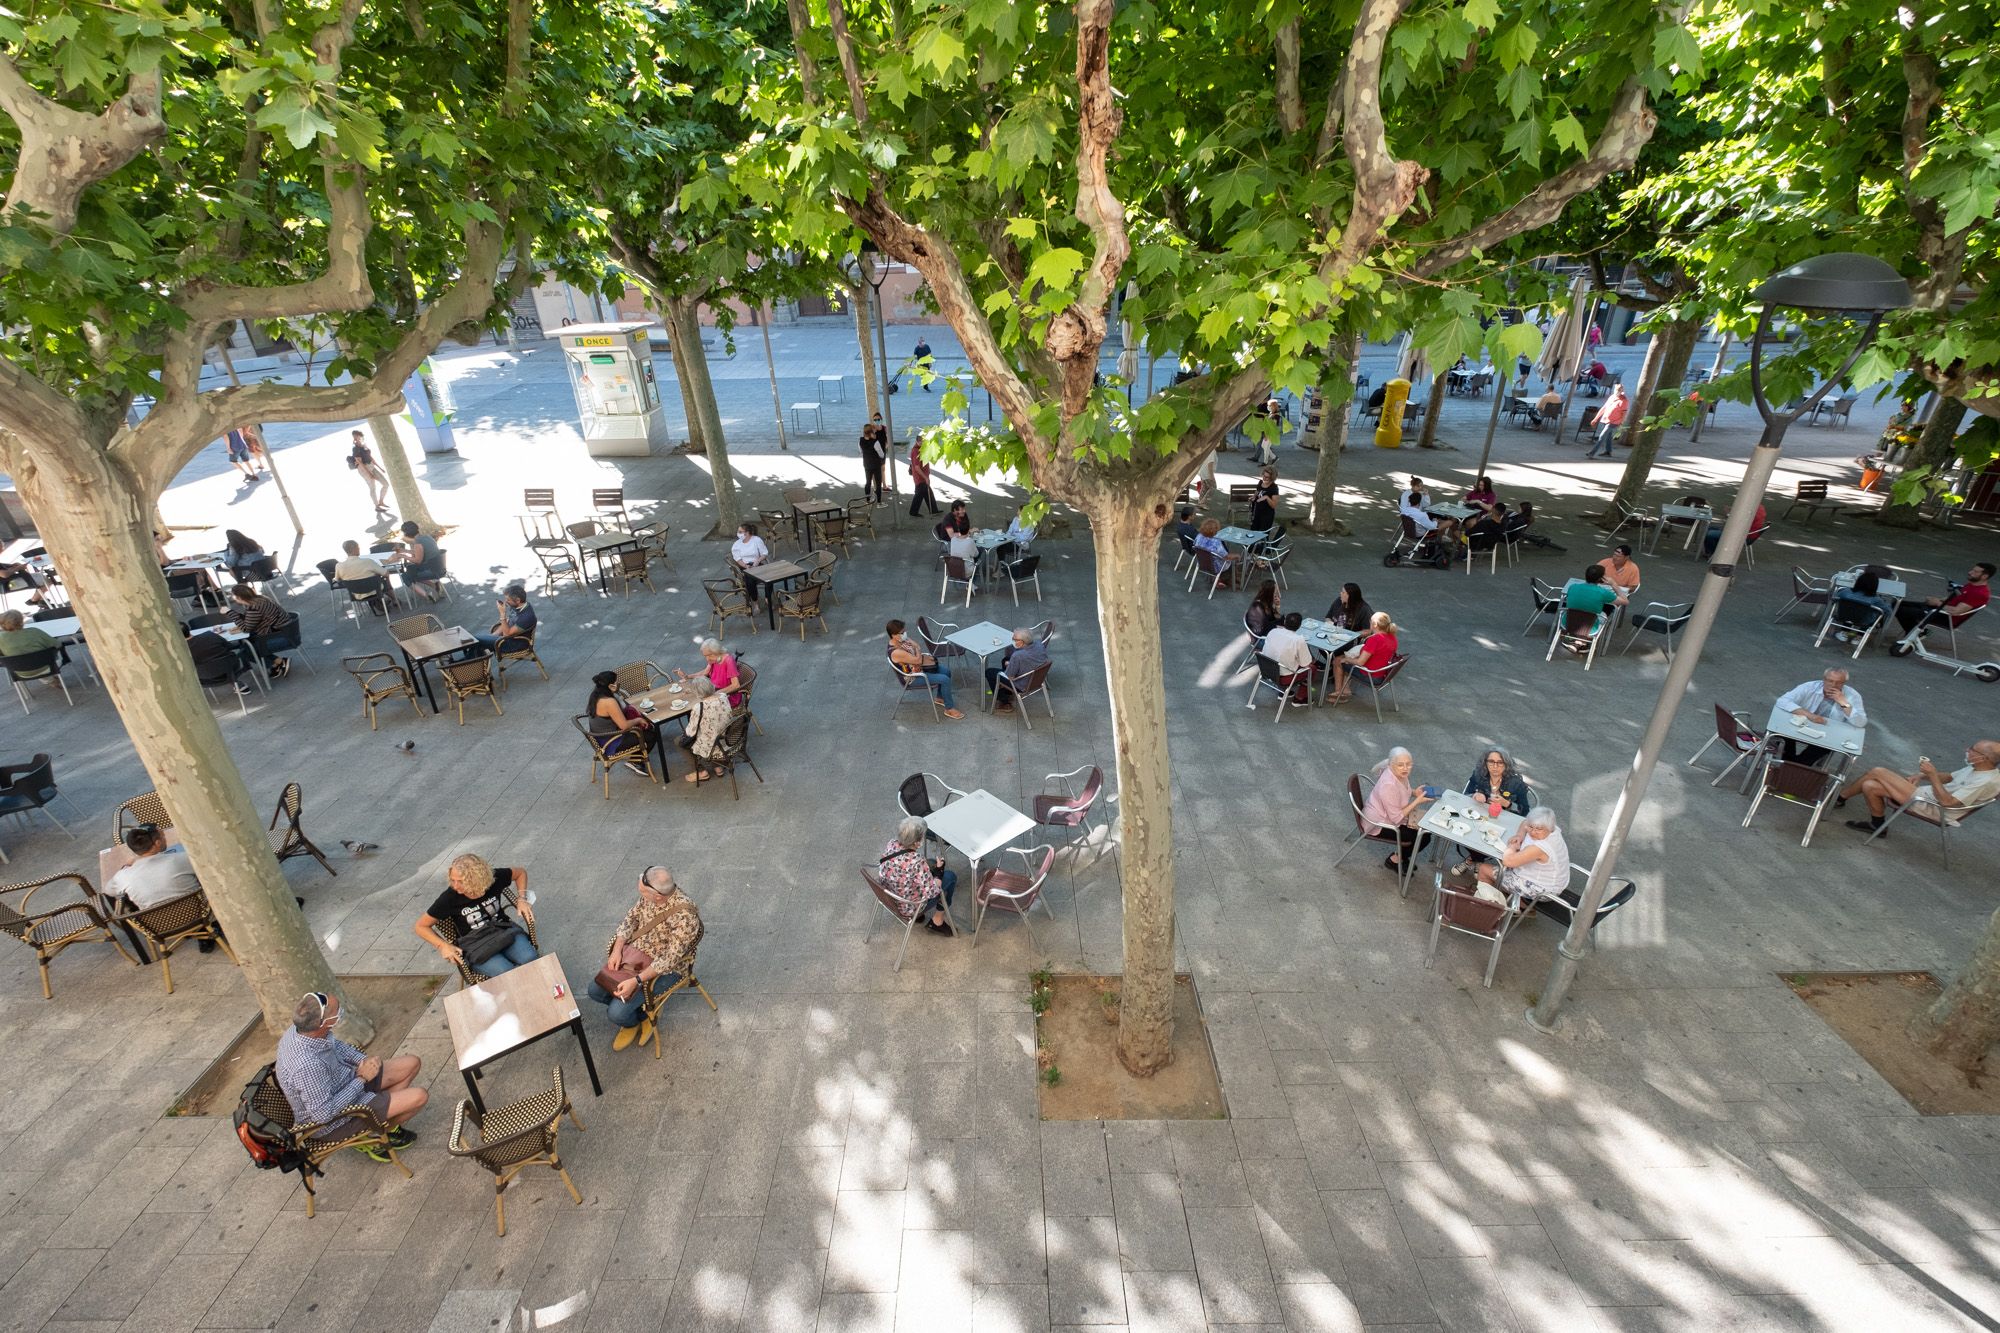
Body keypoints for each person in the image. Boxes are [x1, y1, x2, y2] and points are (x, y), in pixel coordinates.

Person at [276, 991, 424, 1158]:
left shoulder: (301, 1030)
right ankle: (377, 1136)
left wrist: (364, 1061)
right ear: (322, 1023)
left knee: (412, 1063)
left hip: (346, 1082)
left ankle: (382, 1118)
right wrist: (362, 1079)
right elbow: (324, 1113)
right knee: (419, 1097)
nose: (341, 1012)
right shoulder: (305, 1065)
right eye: (337, 1011)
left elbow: (336, 1045)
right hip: (337, 1120)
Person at [591, 867, 704, 1050]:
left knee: (616, 1014)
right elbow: (631, 919)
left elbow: (668, 961)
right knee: (594, 991)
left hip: (665, 970)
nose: (640, 893)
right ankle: (640, 1014)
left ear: (658, 896)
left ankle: (635, 1020)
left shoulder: (686, 917)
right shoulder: (649, 894)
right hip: (633, 956)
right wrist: (617, 949)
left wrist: (635, 982)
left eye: (642, 891)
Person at [414, 854, 540, 978]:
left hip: (503, 929)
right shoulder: (449, 898)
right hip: (475, 944)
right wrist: (442, 945)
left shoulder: (495, 878)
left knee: (531, 958)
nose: (455, 886)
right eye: (453, 880)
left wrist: (522, 899)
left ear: (478, 878)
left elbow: (520, 873)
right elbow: (421, 926)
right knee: (506, 972)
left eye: (461, 881)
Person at [1840, 740, 2000, 836]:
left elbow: (1946, 801)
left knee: (1878, 772)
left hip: (1935, 808)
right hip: (1927, 796)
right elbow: (1950, 776)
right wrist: (1922, 775)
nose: (1967, 750)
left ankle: (1839, 798)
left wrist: (1931, 775)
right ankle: (1877, 824)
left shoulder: (1986, 781)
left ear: (1983, 758)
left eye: (1972, 749)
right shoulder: (1977, 767)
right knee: (1870, 785)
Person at [1472, 807, 1571, 902]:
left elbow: (1508, 861)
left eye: (1538, 829)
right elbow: (1525, 822)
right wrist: (1519, 835)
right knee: (1501, 867)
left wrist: (1511, 847)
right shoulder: (1552, 828)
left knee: (1483, 869)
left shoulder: (1540, 847)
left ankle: (1490, 905)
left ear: (1549, 828)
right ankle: (1514, 902)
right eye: (1531, 827)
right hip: (1553, 881)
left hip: (1542, 890)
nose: (1533, 832)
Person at [879, 817, 956, 934]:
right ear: (916, 842)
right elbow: (933, 892)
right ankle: (937, 920)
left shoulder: (892, 844)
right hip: (909, 907)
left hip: (889, 896)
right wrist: (939, 872)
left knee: (930, 863)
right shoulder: (917, 861)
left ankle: (921, 918)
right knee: (950, 877)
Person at [1361, 747, 1435, 870]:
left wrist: (1414, 792)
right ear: (1391, 765)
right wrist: (1417, 801)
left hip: (1386, 815)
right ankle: (1395, 860)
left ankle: (1400, 857)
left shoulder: (1399, 774)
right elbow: (1396, 818)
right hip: (1379, 823)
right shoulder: (1388, 785)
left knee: (1424, 831)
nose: (1405, 768)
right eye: (1400, 765)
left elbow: (1401, 792)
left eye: (1408, 764)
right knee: (1423, 837)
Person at [1777, 668, 1865, 764]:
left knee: (1812, 755)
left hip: (1828, 734)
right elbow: (1782, 701)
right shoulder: (1809, 687)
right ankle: (1789, 766)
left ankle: (1794, 767)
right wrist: (1810, 715)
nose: (1833, 685)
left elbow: (1860, 722)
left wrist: (1843, 703)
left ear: (1844, 683)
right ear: (1824, 679)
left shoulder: (1853, 695)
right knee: (1781, 735)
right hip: (1801, 725)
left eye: (1838, 682)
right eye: (1830, 681)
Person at [107, 823, 202, 910]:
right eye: (163, 836)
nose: (165, 838)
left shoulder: (123, 876)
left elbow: (109, 891)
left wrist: (127, 866)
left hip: (159, 926)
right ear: (158, 843)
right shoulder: (182, 859)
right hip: (199, 914)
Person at [587, 669, 665, 769]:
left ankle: (635, 760)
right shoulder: (609, 702)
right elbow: (624, 726)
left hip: (600, 738)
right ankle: (635, 762)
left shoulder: (595, 695)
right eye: (616, 681)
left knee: (643, 727)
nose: (618, 683)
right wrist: (638, 720)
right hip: (610, 742)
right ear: (611, 686)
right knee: (652, 734)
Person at [887, 619, 963, 719]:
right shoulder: (896, 652)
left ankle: (940, 698)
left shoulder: (900, 640)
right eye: (902, 633)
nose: (905, 634)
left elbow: (917, 646)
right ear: (894, 635)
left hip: (919, 668)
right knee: (945, 680)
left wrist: (916, 650)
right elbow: (917, 657)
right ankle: (949, 709)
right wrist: (917, 650)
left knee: (946, 671)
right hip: (913, 677)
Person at [1893, 561, 1993, 636]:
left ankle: (1917, 634)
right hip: (1940, 609)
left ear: (1984, 576)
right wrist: (1938, 600)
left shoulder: (1979, 593)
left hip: (1946, 617)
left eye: (1975, 572)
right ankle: (1915, 631)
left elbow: (1956, 611)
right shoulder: (1972, 585)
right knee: (1897, 604)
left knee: (1902, 610)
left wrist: (1937, 603)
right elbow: (1956, 597)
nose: (1970, 572)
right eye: (1972, 570)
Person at [226, 585, 297, 677]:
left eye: (233, 595)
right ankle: (278, 662)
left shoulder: (254, 608)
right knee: (246, 643)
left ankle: (277, 663)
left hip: (281, 637)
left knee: (247, 651)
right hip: (286, 631)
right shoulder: (261, 599)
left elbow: (246, 629)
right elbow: (251, 620)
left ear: (239, 597)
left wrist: (230, 613)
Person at [674, 676, 733, 782]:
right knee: (714, 730)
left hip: (711, 746)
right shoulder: (723, 696)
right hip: (727, 739)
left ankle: (701, 771)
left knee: (679, 741)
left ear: (697, 693)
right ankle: (718, 766)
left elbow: (690, 732)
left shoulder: (699, 707)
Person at [1331, 611, 1398, 701]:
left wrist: (1346, 659)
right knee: (1348, 659)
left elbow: (1360, 662)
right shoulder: (1392, 637)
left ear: (1374, 625)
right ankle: (1345, 689)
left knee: (1338, 660)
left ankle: (1339, 693)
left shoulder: (1374, 640)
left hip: (1370, 675)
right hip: (1383, 674)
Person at [985, 626, 1050, 713]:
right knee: (1005, 660)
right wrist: (1010, 663)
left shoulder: (1018, 656)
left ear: (1021, 642)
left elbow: (1010, 676)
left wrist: (1010, 664)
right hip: (1036, 678)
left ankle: (1004, 702)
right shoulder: (1039, 644)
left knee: (989, 672)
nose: (1012, 640)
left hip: (1022, 684)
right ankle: (1008, 692)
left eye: (1014, 639)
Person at [1259, 611, 1316, 700]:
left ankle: (1283, 692)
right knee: (1312, 669)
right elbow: (1306, 664)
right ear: (1299, 626)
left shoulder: (1273, 631)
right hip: (1283, 678)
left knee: (1283, 659)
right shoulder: (1298, 640)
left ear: (1284, 622)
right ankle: (1300, 698)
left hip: (1266, 670)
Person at [186, 622, 254, 696]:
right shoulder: (209, 635)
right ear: (189, 629)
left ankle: (235, 684)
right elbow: (229, 646)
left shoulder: (181, 651)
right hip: (229, 668)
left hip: (204, 678)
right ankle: (235, 683)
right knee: (224, 659)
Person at [675, 637, 744, 707]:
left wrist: (716, 694)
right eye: (705, 656)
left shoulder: (729, 661)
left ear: (717, 651)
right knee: (689, 698)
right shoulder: (714, 659)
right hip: (713, 691)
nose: (707, 658)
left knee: (697, 705)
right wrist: (687, 676)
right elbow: (705, 673)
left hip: (728, 697)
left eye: (710, 655)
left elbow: (736, 685)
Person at [474, 585, 536, 653]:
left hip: (514, 645)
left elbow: (507, 634)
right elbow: (508, 621)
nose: (506, 602)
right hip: (506, 639)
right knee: (476, 645)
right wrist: (494, 635)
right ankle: (469, 662)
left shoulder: (526, 617)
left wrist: (502, 614)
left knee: (475, 639)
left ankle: (469, 661)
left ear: (518, 600)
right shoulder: (518, 606)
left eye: (508, 600)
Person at [392, 520, 443, 602]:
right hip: (439, 566)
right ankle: (434, 585)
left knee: (406, 576)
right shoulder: (427, 537)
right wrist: (404, 551)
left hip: (432, 570)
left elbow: (418, 560)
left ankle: (428, 596)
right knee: (411, 571)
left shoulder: (418, 543)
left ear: (406, 534)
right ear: (417, 528)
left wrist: (402, 555)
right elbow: (422, 552)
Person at [1701, 502, 1767, 558]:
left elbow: (1736, 524)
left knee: (1709, 534)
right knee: (1710, 528)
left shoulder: (1751, 512)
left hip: (1742, 536)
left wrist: (1727, 514)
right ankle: (1714, 550)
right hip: (1750, 534)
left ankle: (1714, 553)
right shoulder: (1760, 507)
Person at [731, 521, 771, 611]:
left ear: (747, 533)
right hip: (744, 566)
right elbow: (737, 559)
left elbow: (764, 553)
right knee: (750, 581)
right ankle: (755, 601)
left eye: (740, 532)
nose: (738, 533)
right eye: (739, 532)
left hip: (757, 563)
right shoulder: (736, 544)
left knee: (769, 577)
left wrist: (758, 560)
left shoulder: (756, 540)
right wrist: (746, 566)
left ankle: (767, 598)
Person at [348, 430, 390, 513]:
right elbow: (360, 462)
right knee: (372, 487)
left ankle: (381, 501)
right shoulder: (355, 449)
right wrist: (369, 473)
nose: (358, 438)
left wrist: (379, 467)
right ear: (354, 438)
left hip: (371, 466)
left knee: (386, 484)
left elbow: (370, 457)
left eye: (359, 436)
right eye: (356, 437)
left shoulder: (364, 445)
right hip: (363, 469)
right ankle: (377, 506)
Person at [1584, 383, 1628, 458]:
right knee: (1608, 436)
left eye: (1619, 390)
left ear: (1622, 391)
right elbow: (1604, 408)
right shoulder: (1612, 397)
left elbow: (1624, 413)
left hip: (1614, 422)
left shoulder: (1624, 401)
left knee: (1602, 436)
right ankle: (1608, 451)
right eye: (1617, 389)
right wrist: (1596, 418)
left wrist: (1621, 422)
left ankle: (1592, 453)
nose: (1618, 391)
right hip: (1606, 419)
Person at [1193, 518, 1240, 585]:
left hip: (1202, 563)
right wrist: (1237, 556)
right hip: (1215, 566)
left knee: (1224, 558)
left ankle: (1220, 579)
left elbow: (1194, 545)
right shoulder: (1215, 542)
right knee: (1233, 560)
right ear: (1214, 530)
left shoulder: (1199, 536)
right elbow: (1226, 556)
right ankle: (1231, 580)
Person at [908, 437, 940, 517]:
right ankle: (913, 512)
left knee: (927, 492)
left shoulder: (920, 449)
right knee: (919, 494)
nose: (924, 444)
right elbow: (917, 467)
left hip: (922, 477)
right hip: (920, 477)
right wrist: (925, 477)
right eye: (922, 442)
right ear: (918, 441)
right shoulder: (916, 451)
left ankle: (933, 510)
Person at [858, 420, 887, 502]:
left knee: (868, 482)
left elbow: (861, 451)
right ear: (871, 431)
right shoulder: (875, 442)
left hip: (867, 464)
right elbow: (881, 454)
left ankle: (867, 500)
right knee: (878, 483)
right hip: (876, 465)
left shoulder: (860, 440)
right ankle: (879, 502)